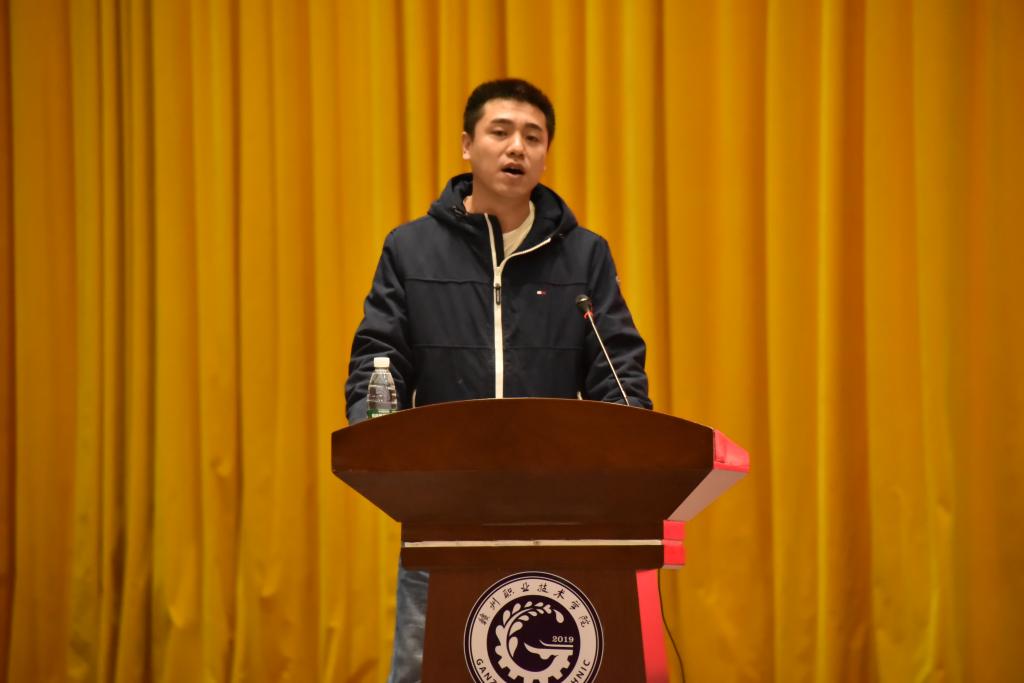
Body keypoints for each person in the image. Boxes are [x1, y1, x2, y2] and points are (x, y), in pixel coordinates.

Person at [344, 78, 651, 683]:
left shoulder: (583, 255)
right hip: (444, 507)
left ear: (545, 155)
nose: (517, 148)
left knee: (555, 665)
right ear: (467, 145)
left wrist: (634, 451)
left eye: (533, 138)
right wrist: (377, 439)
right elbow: (379, 355)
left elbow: (617, 366)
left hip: (560, 508)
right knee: (430, 667)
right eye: (501, 132)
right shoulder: (411, 249)